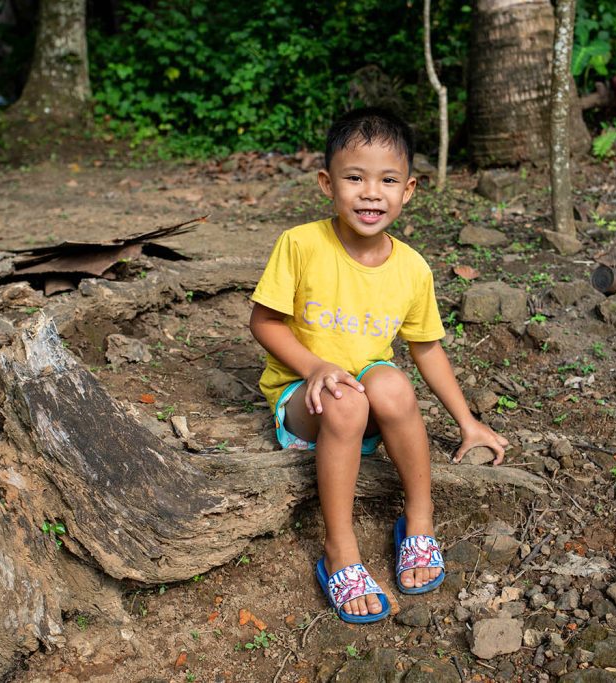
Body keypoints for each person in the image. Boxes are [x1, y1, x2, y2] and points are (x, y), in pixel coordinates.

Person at [249, 107, 508, 624]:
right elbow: (264, 322)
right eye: (354, 178)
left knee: (391, 387)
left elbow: (427, 348)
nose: (371, 193)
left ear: (408, 190)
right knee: (345, 401)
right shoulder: (301, 244)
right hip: (307, 403)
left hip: (369, 399)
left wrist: (467, 422)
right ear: (328, 183)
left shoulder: (411, 267)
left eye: (387, 180)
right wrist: (315, 366)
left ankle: (418, 518)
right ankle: (339, 550)